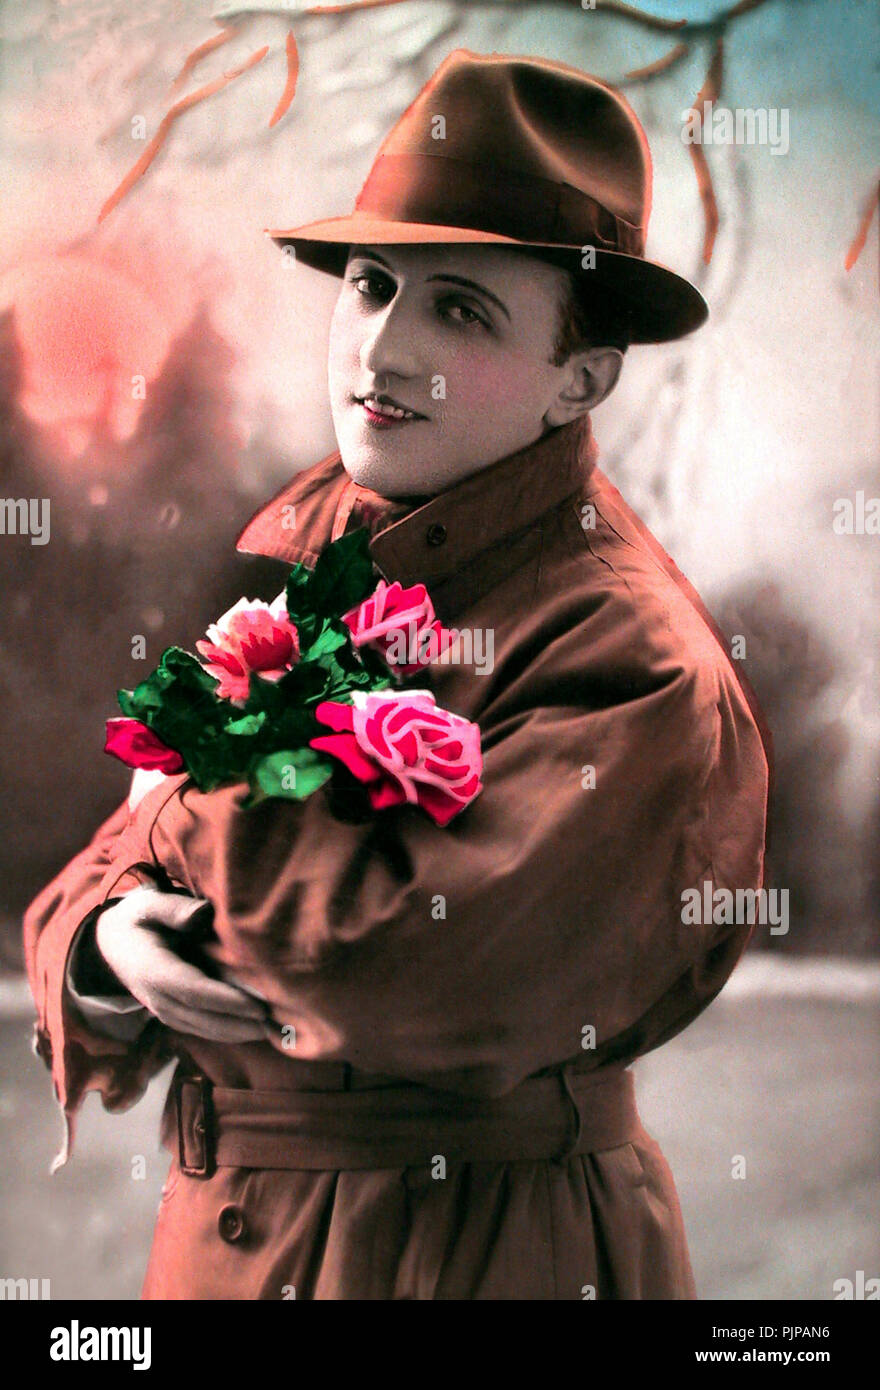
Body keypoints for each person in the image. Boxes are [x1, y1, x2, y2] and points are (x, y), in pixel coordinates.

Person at [23, 49, 770, 1300]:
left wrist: (180, 825)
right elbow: (91, 881)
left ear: (579, 377)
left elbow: (403, 969)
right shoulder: (323, 573)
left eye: (461, 308)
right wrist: (106, 947)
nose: (381, 344)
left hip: (472, 1253)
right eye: (370, 284)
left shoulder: (630, 663)